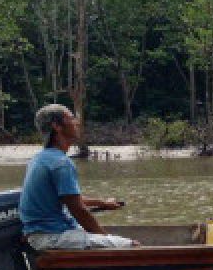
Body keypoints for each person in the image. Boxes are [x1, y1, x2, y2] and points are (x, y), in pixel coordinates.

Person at [19, 104, 138, 251]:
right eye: (71, 118)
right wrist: (105, 239)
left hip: (41, 235)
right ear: (57, 126)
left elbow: (69, 199)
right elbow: (78, 209)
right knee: (132, 247)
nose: (76, 122)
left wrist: (102, 203)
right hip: (54, 236)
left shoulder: (39, 158)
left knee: (112, 240)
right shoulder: (61, 162)